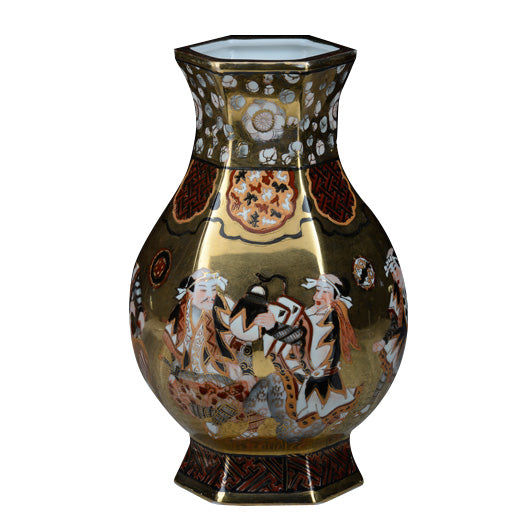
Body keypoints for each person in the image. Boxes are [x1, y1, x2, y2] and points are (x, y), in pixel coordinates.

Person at [243, 274, 361, 442]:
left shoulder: (331, 319)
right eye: (317, 290)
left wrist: (274, 327)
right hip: (298, 371)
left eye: (325, 291)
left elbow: (302, 337)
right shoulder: (313, 313)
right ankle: (252, 428)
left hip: (318, 381)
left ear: (336, 297)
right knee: (266, 385)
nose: (317, 296)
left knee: (290, 433)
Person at [162, 268, 256, 437]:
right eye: (203, 290)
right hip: (189, 377)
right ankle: (209, 419)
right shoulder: (180, 314)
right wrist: (174, 372)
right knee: (180, 394)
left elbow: (244, 343)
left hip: (223, 377)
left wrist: (247, 372)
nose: (210, 295)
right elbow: (175, 351)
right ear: (189, 293)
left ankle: (215, 421)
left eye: (213, 290)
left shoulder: (225, 309)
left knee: (241, 397)